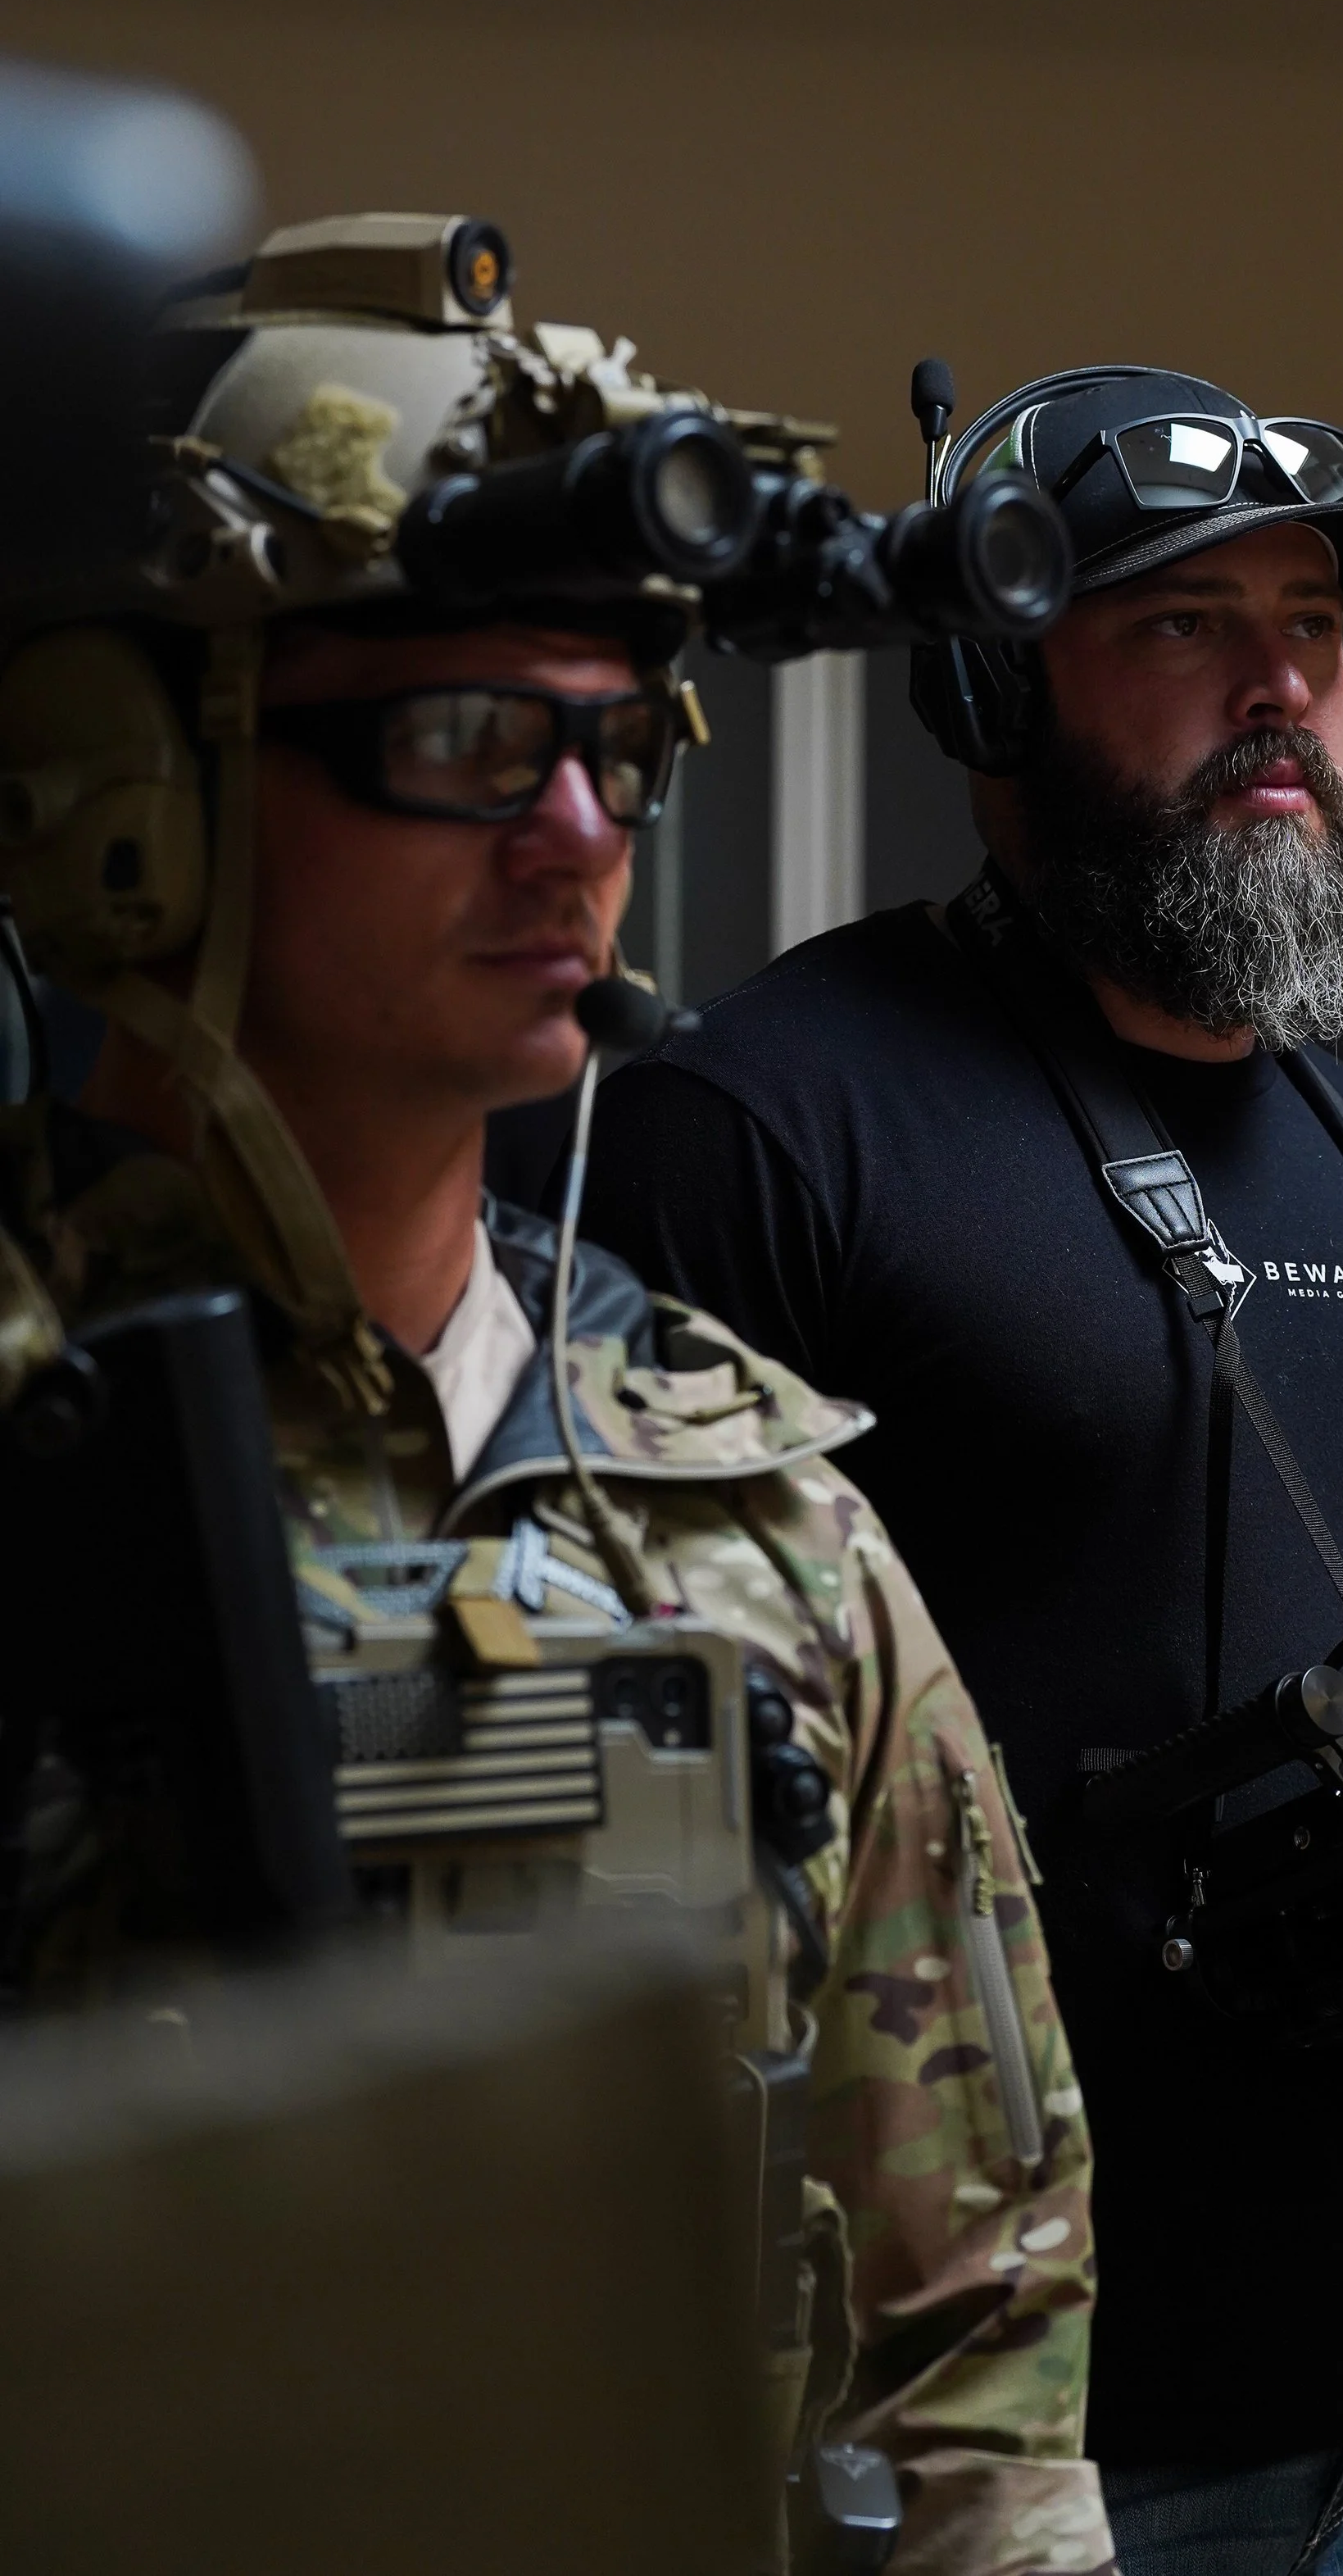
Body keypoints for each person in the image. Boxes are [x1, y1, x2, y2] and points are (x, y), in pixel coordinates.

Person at [0, 237, 1114, 2576]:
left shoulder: (749, 1510)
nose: (582, 835)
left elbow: (971, 2343)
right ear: (130, 798)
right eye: (467, 742)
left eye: (615, 746)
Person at [582, 369, 1343, 2576]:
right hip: (948, 2442)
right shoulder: (764, 1129)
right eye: (1183, 623)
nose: (1282, 684)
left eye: (1314, 623)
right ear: (994, 683)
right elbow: (611, 1864)